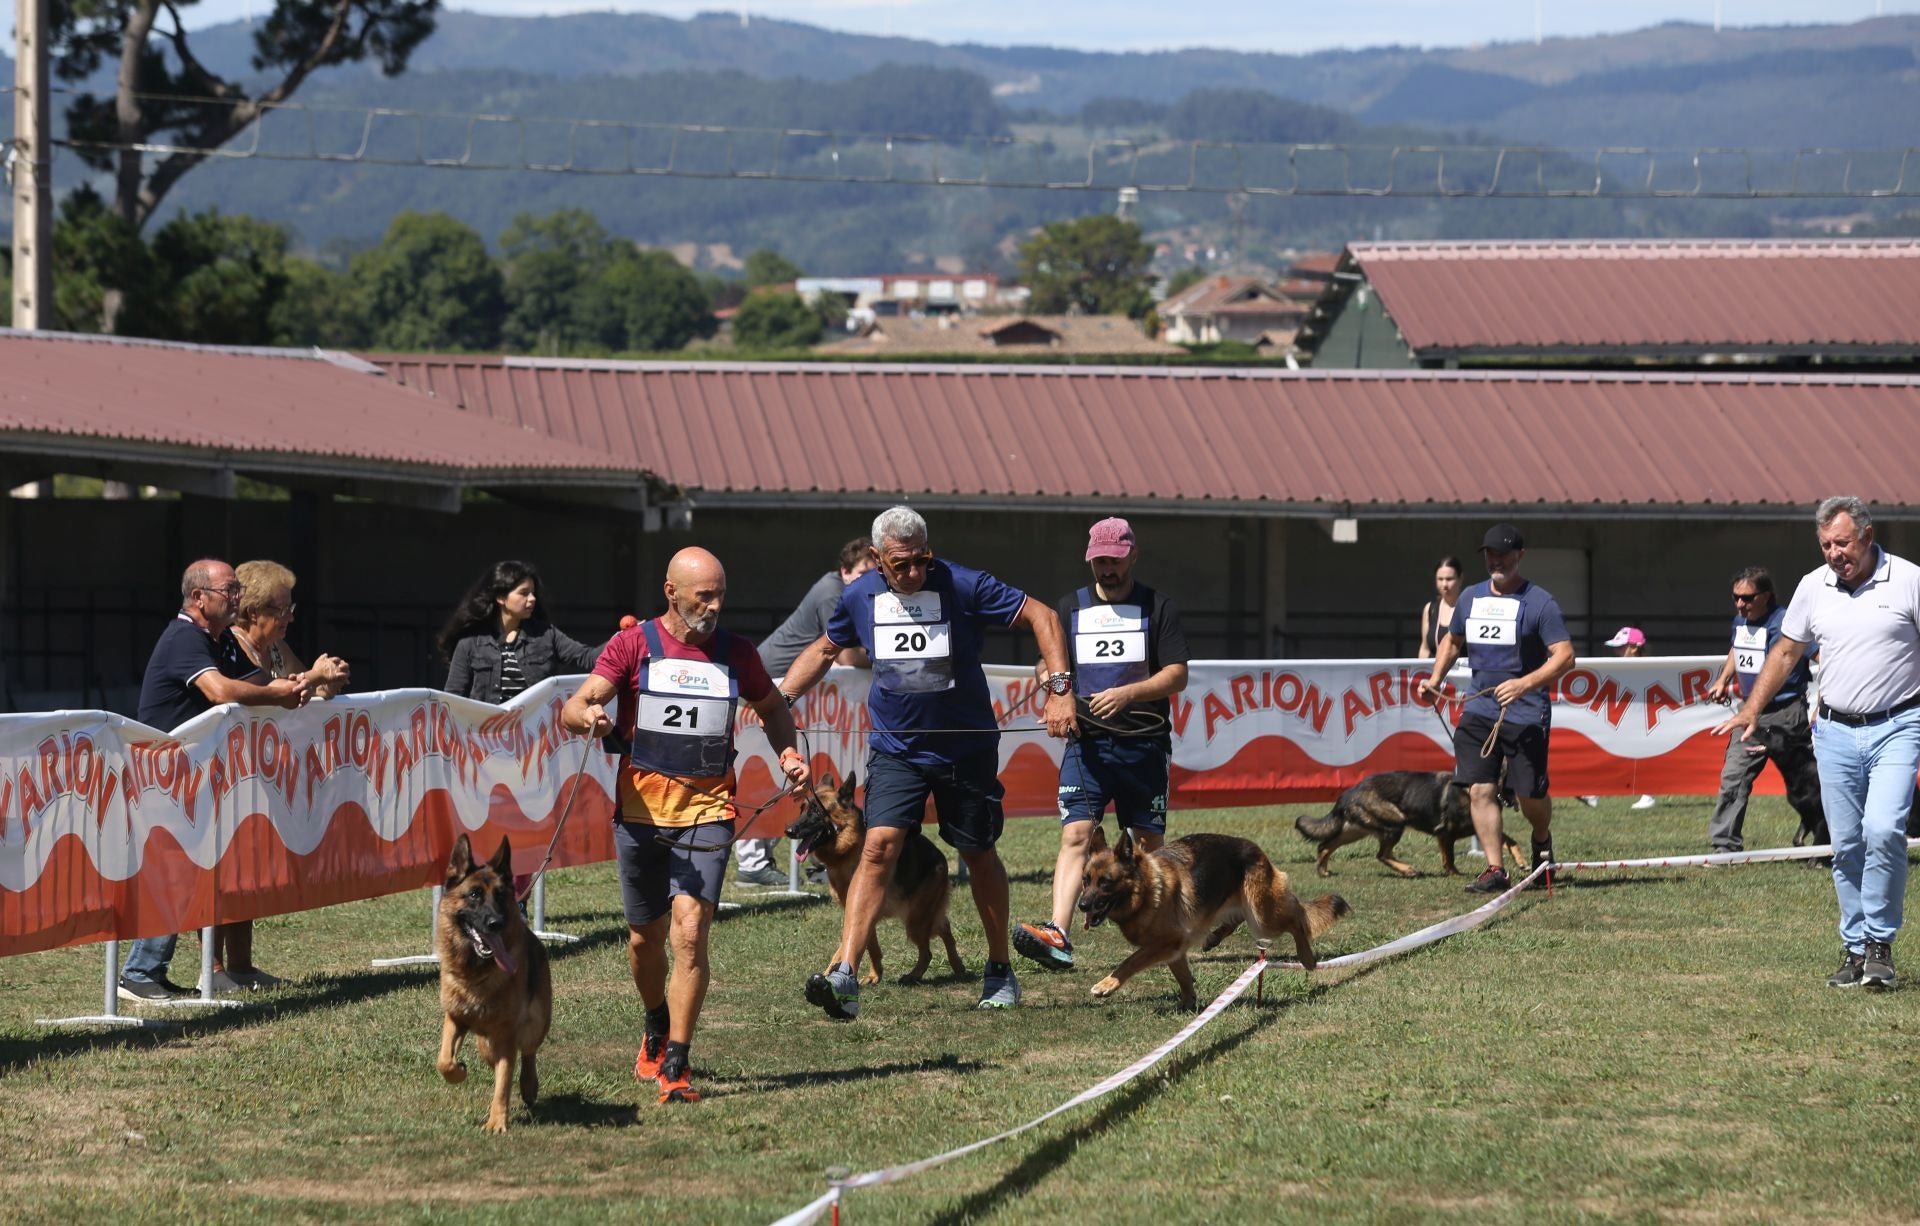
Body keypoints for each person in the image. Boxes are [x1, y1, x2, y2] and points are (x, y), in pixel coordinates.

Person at [779, 506, 1076, 1018]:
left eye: (922, 560)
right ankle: (845, 975)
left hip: (966, 747)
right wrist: (780, 699)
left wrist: (1060, 690)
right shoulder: (858, 596)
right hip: (897, 748)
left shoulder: (962, 583)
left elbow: (1042, 616)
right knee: (877, 847)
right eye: (901, 564)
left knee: (978, 852)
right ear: (876, 560)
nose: (914, 572)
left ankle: (1000, 970)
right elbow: (826, 649)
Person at [561, 547, 809, 1102]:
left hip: (709, 811)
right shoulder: (634, 645)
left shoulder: (735, 653)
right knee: (643, 941)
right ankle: (654, 1023)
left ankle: (677, 1061)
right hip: (640, 815)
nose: (716, 606)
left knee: (691, 935)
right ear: (671, 593)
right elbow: (575, 706)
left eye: (722, 594)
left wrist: (788, 755)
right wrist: (591, 718)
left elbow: (771, 707)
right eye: (705, 596)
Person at [1714, 497, 1920, 991]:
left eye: (1843, 543)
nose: (1834, 553)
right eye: (1826, 544)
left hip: (1898, 724)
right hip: (1832, 730)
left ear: (1868, 536)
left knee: (1885, 829)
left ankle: (1880, 946)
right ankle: (1854, 949)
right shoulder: (1812, 586)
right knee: (1844, 843)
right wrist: (1750, 708)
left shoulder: (1910, 579)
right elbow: (1786, 652)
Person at [119, 559, 310, 1002]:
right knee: (175, 872)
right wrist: (279, 695)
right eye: (229, 591)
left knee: (193, 871)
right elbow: (221, 692)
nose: (237, 598)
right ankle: (140, 973)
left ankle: (154, 971)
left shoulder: (217, 640)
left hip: (198, 772)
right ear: (199, 598)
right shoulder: (185, 636)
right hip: (167, 774)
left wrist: (305, 682)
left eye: (238, 591)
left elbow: (262, 682)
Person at [1013, 517, 1189, 972]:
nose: (1106, 569)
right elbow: (1046, 663)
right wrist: (1056, 691)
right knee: (1076, 834)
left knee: (1148, 843)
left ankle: (1159, 928)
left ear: (1133, 555)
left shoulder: (1158, 607)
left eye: (1113, 559)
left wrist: (1129, 693)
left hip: (1143, 745)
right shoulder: (1070, 606)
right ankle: (1058, 933)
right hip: (1086, 743)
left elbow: (1177, 674)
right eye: (1098, 561)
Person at [209, 559, 351, 991]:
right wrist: (312, 677)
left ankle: (242, 965)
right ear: (254, 611)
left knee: (247, 867)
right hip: (225, 772)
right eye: (283, 608)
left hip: (262, 774)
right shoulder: (229, 645)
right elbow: (269, 694)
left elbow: (301, 689)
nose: (291, 616)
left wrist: (327, 679)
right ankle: (212, 970)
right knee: (221, 866)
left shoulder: (272, 648)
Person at [1418, 523, 1575, 894]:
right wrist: (1436, 680)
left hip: (1526, 710)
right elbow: (1452, 642)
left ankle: (1540, 842)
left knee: (1529, 793)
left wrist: (1524, 683)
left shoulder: (1540, 602)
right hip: (1479, 708)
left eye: (1504, 553)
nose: (1496, 560)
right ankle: (1495, 870)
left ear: (1520, 556)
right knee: (1479, 789)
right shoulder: (1470, 598)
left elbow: (1565, 656)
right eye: (1490, 553)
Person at [441, 560, 603, 901]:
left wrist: (629, 640)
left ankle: (517, 899)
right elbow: (453, 697)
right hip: (481, 752)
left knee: (524, 829)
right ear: (501, 597)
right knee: (483, 827)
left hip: (530, 751)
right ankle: (481, 897)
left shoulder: (547, 635)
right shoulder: (470, 644)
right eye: (523, 593)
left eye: (533, 593)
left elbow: (589, 659)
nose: (531, 599)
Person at [733, 536, 874, 887]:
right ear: (845, 571)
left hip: (802, 692)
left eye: (875, 573)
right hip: (769, 689)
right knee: (765, 770)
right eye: (862, 572)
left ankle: (814, 856)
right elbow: (846, 655)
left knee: (800, 774)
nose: (869, 580)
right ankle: (752, 863)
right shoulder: (832, 592)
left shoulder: (853, 591)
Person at [1705, 567, 1823, 854]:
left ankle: (1825, 841)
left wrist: (1823, 700)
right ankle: (1725, 846)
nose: (1740, 604)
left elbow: (1822, 656)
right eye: (1735, 598)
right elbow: (1736, 646)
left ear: (1767, 595)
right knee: (1734, 777)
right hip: (1748, 716)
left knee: (1808, 786)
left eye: (1747, 598)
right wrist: (1723, 679)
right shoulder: (1740, 621)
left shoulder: (1787, 622)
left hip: (1787, 714)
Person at [1605, 627, 1659, 811]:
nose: (1616, 651)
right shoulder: (1620, 668)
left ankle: (1648, 793)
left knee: (1645, 753)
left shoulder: (1649, 668)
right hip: (1627, 717)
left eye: (1621, 647)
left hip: (1646, 719)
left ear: (1634, 648)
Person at [1417, 556, 1465, 661]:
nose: (1444, 584)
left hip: (1462, 674)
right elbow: (1425, 649)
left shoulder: (1469, 607)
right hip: (1434, 673)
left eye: (1449, 579)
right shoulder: (1430, 608)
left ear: (1460, 578)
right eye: (1440, 579)